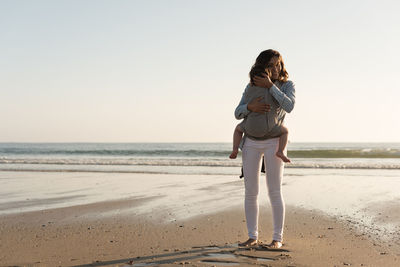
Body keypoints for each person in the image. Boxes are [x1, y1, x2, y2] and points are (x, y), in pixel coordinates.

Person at [235, 49, 295, 249]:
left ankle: (277, 239)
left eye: (278, 64)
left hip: (274, 142)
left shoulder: (287, 85)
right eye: (271, 65)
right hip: (251, 141)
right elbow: (237, 112)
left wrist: (271, 87)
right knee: (251, 192)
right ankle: (252, 237)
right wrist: (249, 108)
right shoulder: (250, 87)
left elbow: (289, 106)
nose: (276, 68)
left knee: (274, 192)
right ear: (263, 68)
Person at [229, 65, 290, 163]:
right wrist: (271, 86)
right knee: (285, 131)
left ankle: (235, 149)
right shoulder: (270, 90)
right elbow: (282, 105)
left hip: (250, 128)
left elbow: (238, 112)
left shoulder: (249, 89)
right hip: (269, 128)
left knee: (238, 129)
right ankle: (280, 151)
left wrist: (249, 106)